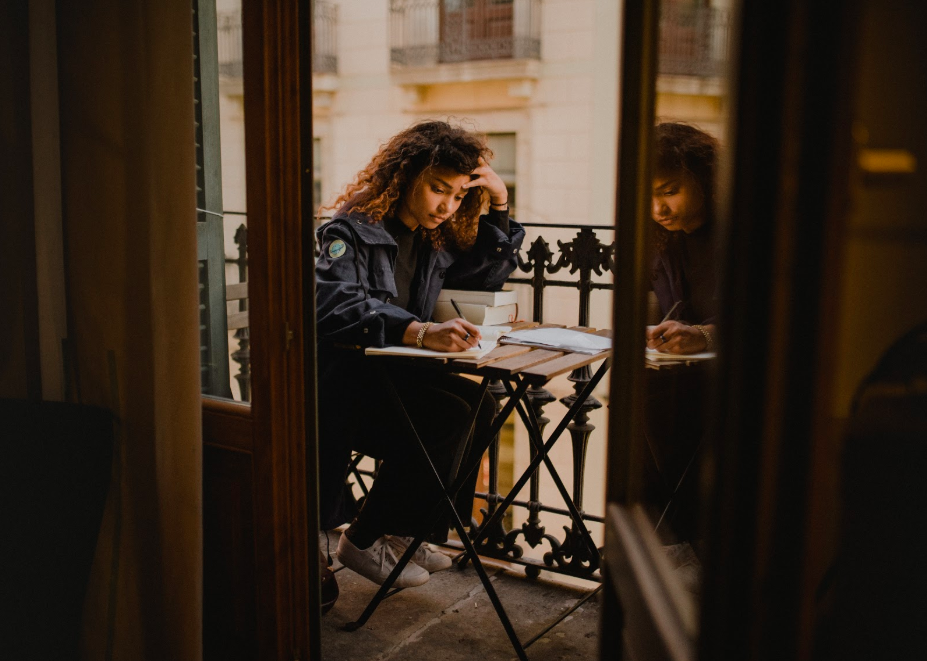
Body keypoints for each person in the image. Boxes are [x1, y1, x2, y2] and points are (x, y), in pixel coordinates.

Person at [314, 120, 525, 589]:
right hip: (342, 388)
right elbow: (332, 304)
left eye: (457, 197)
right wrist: (417, 329)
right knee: (445, 415)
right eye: (437, 190)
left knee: (484, 405)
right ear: (405, 176)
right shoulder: (349, 229)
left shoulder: (431, 239)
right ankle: (364, 539)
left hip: (390, 378)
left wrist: (501, 203)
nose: (447, 207)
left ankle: (407, 533)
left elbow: (483, 278)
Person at [645, 122, 719, 355]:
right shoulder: (658, 240)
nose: (658, 210)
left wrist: (705, 335)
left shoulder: (740, 233)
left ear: (703, 181)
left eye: (669, 192)